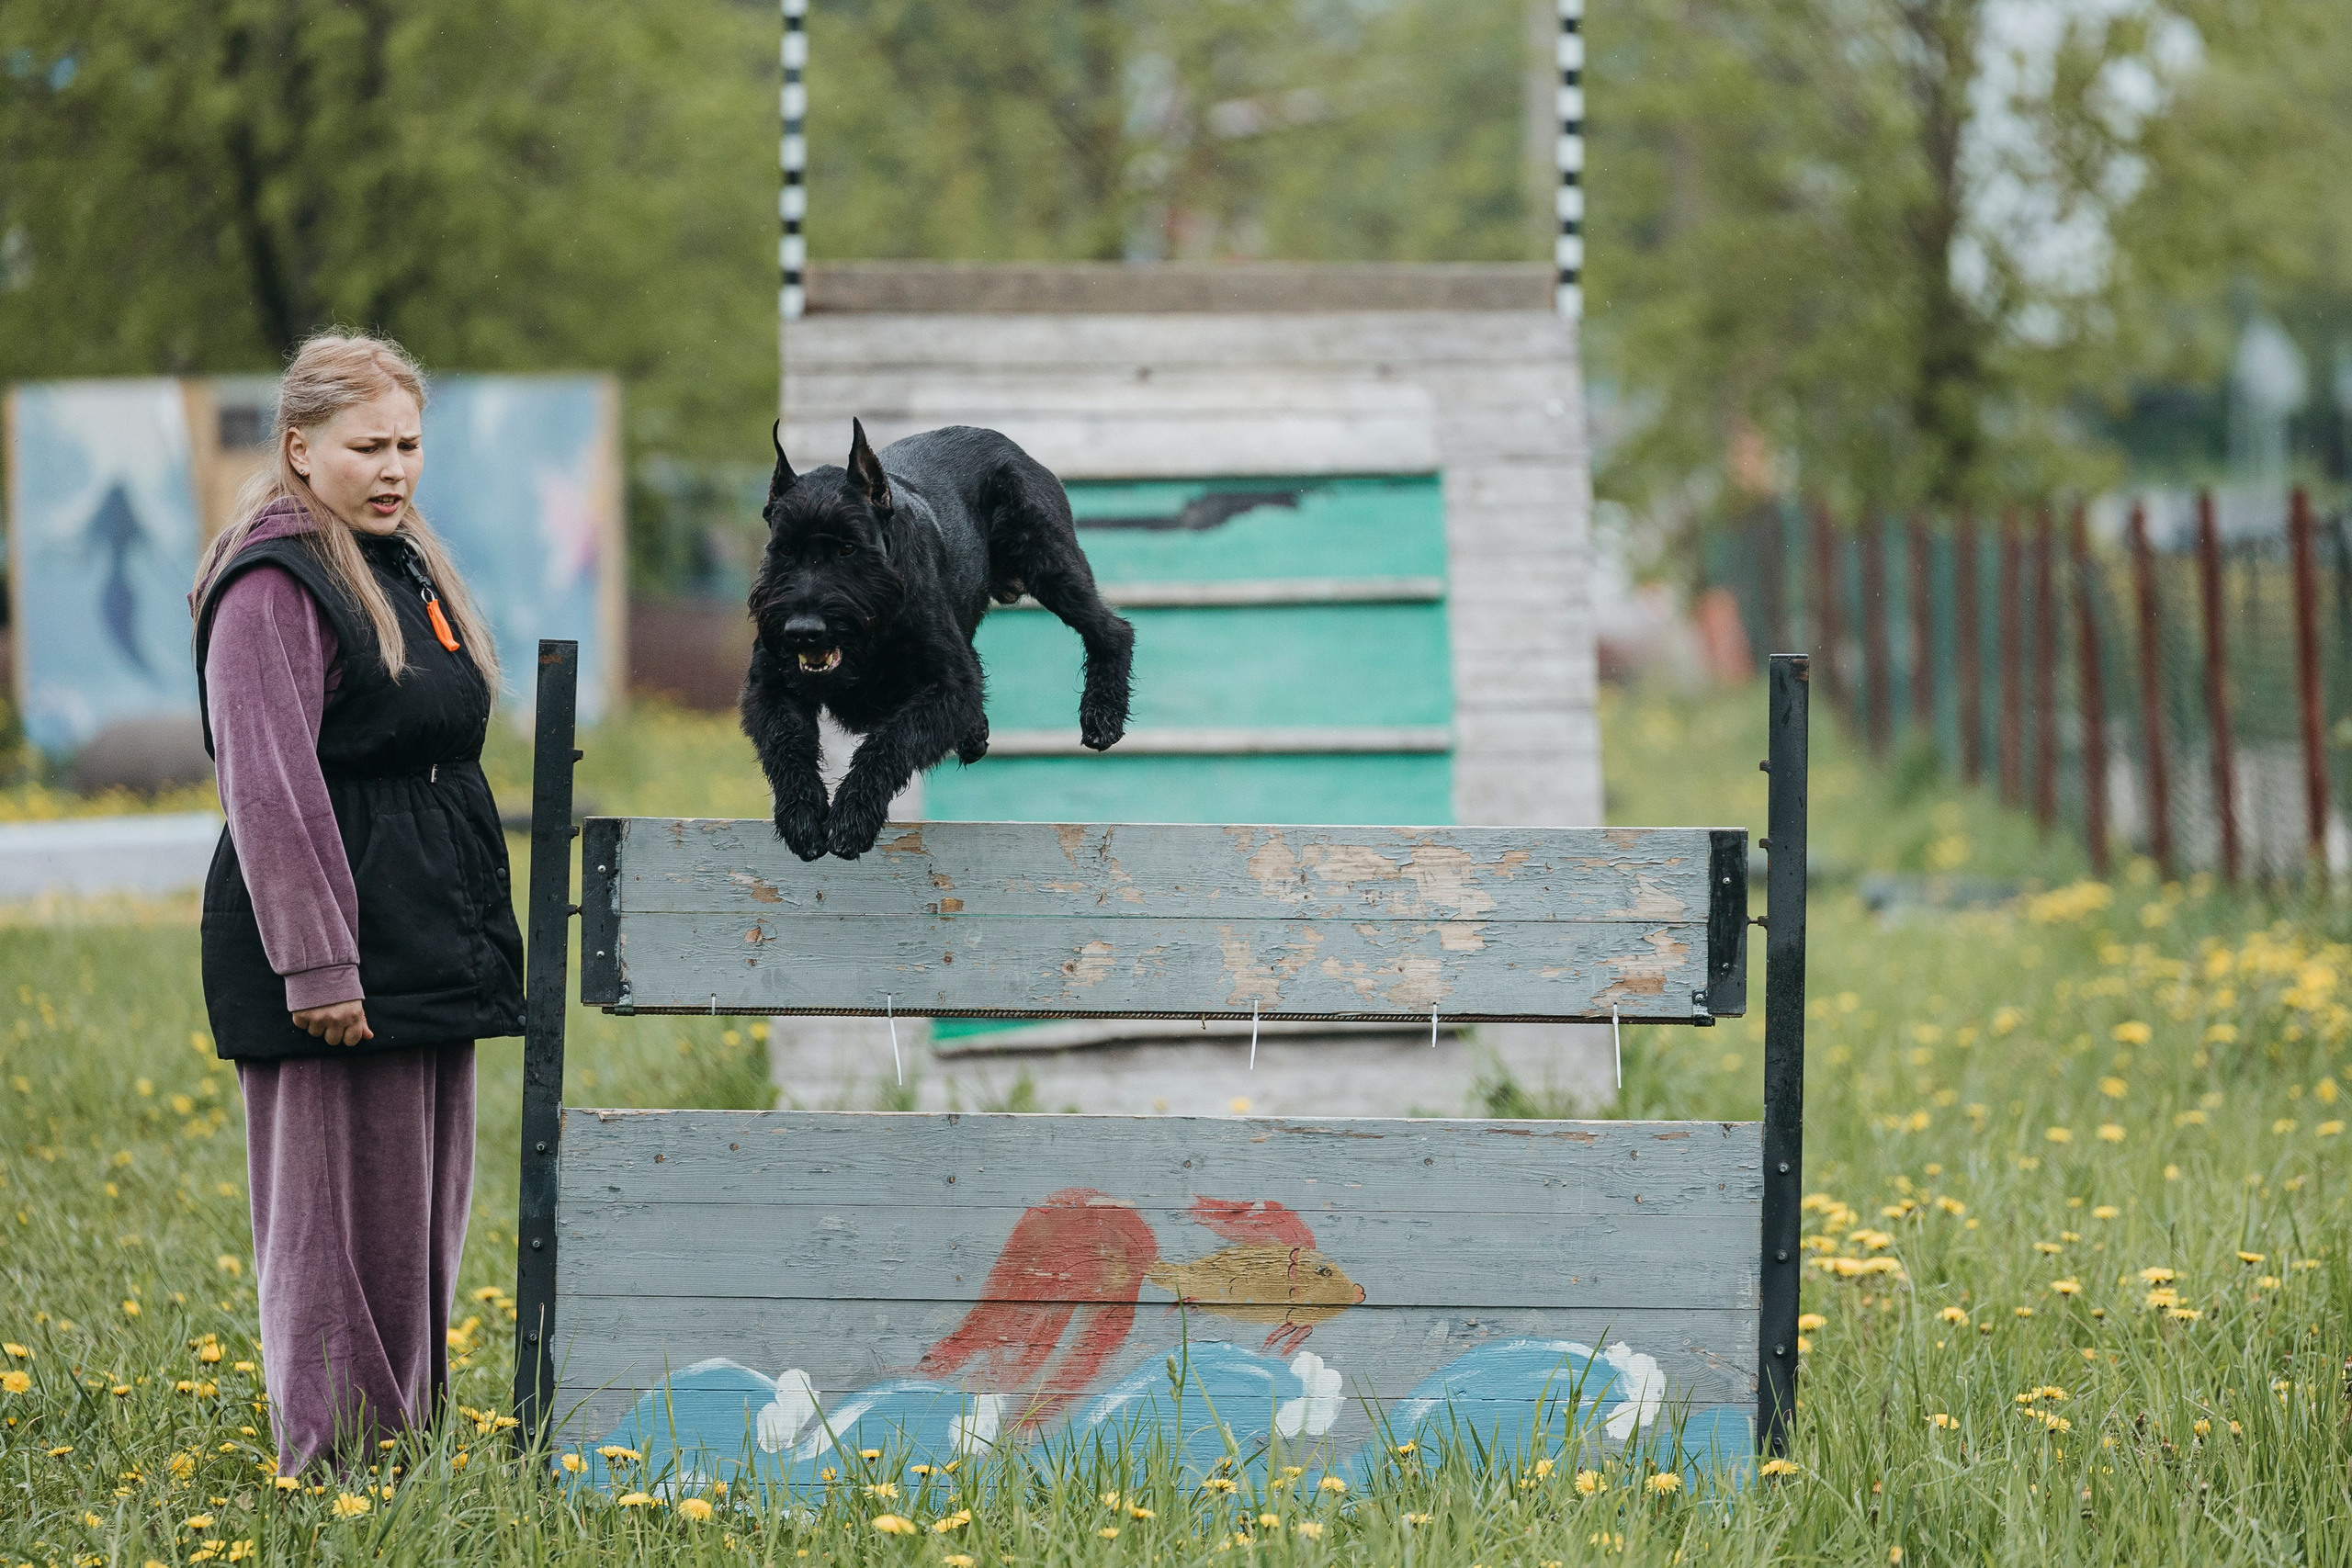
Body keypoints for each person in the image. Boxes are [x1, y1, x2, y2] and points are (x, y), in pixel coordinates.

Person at [189, 331, 525, 1474]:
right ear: (298, 447)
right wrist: (319, 966)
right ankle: (333, 1464)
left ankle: (406, 1452)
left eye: (409, 444)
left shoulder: (402, 564)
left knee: (416, 1214)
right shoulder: (273, 582)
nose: (394, 468)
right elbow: (269, 784)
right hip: (330, 950)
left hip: (427, 931)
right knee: (330, 1227)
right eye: (366, 445)